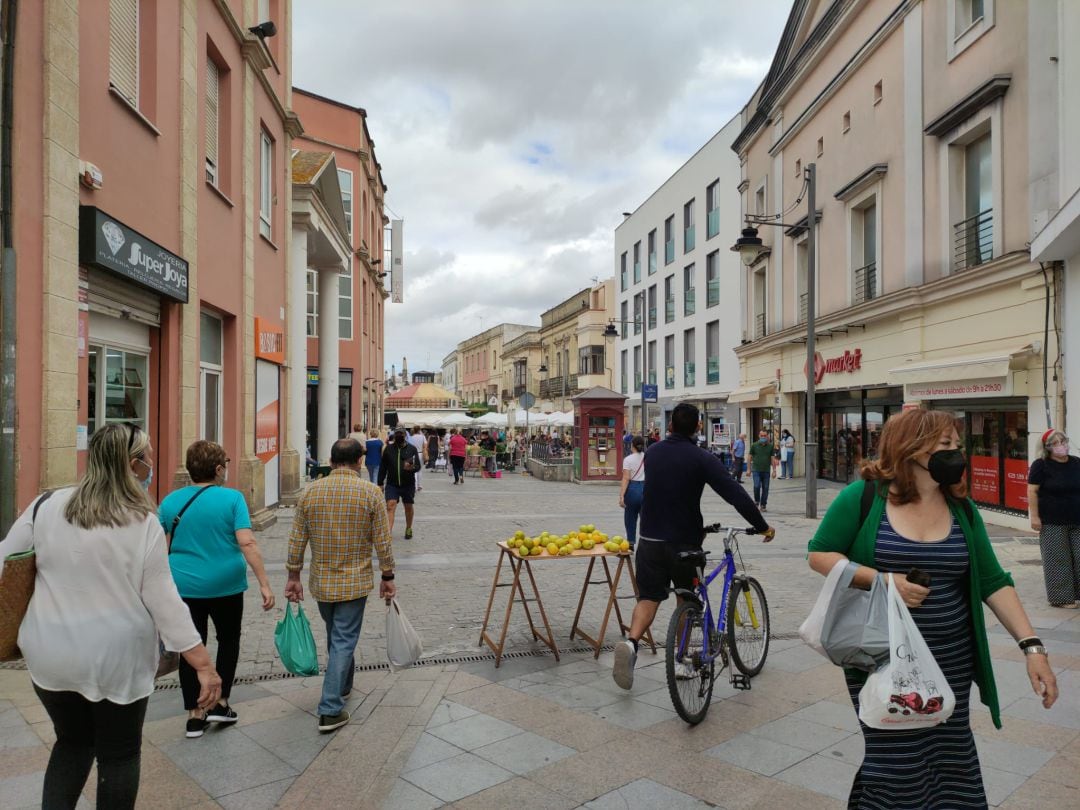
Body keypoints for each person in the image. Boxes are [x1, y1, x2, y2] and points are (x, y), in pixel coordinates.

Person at [808, 408, 1058, 809]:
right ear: (911, 448)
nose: (956, 454)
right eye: (945, 445)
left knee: (951, 757)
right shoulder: (864, 496)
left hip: (950, 659)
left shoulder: (961, 507)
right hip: (881, 658)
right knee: (896, 762)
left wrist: (1032, 647)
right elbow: (819, 555)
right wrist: (884, 580)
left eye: (957, 446)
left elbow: (994, 582)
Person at [0, 424, 221, 808]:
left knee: (71, 742)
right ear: (134, 466)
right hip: (118, 659)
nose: (152, 464)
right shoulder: (141, 522)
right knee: (119, 755)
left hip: (51, 657)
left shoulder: (46, 505)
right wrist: (202, 663)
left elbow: (5, 559)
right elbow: (164, 600)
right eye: (148, 457)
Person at [612, 403, 774, 690]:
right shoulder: (702, 458)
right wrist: (761, 525)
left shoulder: (653, 453)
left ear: (670, 426)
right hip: (683, 543)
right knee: (687, 599)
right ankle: (682, 660)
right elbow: (733, 493)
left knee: (648, 599)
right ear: (699, 427)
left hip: (648, 540)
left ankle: (632, 643)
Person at [159, 440, 275, 738]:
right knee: (228, 640)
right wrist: (263, 582)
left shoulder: (170, 501)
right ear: (219, 469)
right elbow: (247, 542)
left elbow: (157, 546)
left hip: (184, 585)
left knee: (190, 645)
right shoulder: (232, 499)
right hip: (226, 585)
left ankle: (195, 714)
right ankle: (220, 704)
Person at [286, 438, 396, 733]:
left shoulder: (310, 493)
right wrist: (388, 576)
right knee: (344, 639)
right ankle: (330, 708)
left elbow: (297, 539)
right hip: (355, 580)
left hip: (322, 582)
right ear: (360, 462)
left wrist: (293, 575)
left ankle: (343, 686)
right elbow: (382, 542)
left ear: (332, 461)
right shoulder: (371, 493)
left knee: (337, 635)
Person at [1028, 428, 1080, 608]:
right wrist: (1034, 516)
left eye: (1063, 441)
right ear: (1047, 447)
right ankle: (1062, 598)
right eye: (1055, 443)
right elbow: (1032, 491)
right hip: (1052, 520)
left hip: (1077, 518)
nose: (1061, 446)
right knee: (1058, 559)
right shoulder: (1040, 465)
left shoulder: (1076, 463)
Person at [379, 427, 421, 538]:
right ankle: (388, 533)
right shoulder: (388, 449)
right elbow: (383, 467)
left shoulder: (412, 449)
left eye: (401, 434)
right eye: (397, 434)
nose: (399, 436)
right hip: (392, 484)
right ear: (394, 435)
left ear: (405, 435)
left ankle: (408, 528)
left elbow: (418, 466)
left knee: (408, 506)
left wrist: (411, 468)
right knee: (390, 506)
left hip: (408, 484)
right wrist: (380, 482)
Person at [619, 435, 647, 551]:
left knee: (630, 517)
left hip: (632, 489)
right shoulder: (647, 457)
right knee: (646, 518)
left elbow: (626, 478)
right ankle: (646, 543)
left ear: (632, 446)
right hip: (645, 488)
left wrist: (621, 496)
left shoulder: (628, 459)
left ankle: (630, 544)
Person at [748, 429, 775, 511]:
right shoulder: (754, 445)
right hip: (756, 470)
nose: (763, 437)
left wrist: (774, 470)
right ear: (759, 436)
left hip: (766, 471)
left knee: (765, 488)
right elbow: (749, 457)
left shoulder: (770, 446)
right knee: (756, 486)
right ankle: (756, 501)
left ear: (767, 436)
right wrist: (748, 469)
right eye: (761, 435)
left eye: (765, 436)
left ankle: (763, 505)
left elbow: (772, 458)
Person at [407, 426, 428, 491]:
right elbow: (425, 446)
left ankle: (415, 486)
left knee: (413, 470)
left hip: (412, 454)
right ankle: (419, 485)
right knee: (419, 470)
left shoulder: (411, 437)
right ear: (419, 430)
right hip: (420, 453)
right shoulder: (422, 437)